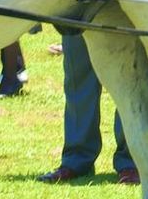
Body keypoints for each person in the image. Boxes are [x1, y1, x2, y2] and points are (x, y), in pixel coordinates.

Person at [37, 31, 138, 184]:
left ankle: (131, 161)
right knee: (77, 76)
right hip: (77, 10)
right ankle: (76, 160)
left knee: (129, 74)